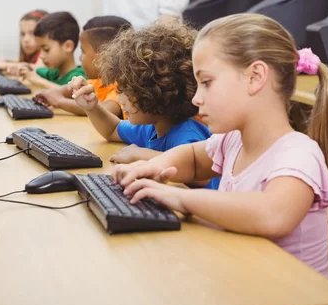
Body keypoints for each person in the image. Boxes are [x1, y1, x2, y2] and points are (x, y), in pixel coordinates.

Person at [111, 14, 328, 278]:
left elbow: (272, 214)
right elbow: (194, 159)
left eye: (206, 82)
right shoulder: (234, 141)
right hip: (247, 284)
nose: (196, 98)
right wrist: (154, 166)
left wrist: (180, 198)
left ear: (255, 77)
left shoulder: (297, 155)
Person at [69, 23, 217, 191]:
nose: (119, 98)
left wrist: (142, 155)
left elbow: (199, 177)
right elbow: (112, 130)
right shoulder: (152, 128)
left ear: (153, 92)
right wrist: (92, 107)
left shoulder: (187, 134)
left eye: (125, 90)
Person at [34, 16, 131, 118]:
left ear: (103, 56)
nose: (80, 58)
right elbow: (69, 89)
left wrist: (59, 101)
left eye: (83, 52)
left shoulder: (122, 85)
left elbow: (107, 110)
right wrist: (49, 94)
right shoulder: (98, 81)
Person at [17, 12, 87, 89]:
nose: (41, 56)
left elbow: (70, 93)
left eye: (46, 50)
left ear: (68, 46)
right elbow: (36, 71)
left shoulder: (78, 77)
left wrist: (38, 80)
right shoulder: (54, 73)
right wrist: (26, 68)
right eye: (40, 50)